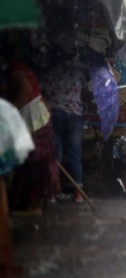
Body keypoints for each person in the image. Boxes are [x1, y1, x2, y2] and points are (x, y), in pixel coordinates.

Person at [7, 60, 60, 215]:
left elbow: (26, 90)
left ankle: (34, 206)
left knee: (35, 162)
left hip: (33, 118)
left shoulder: (16, 69)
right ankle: (31, 202)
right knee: (35, 162)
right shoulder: (20, 67)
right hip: (37, 115)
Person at [40, 61, 88, 203]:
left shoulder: (49, 73)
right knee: (75, 155)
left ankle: (53, 193)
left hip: (55, 115)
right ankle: (79, 194)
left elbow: (41, 92)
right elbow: (85, 94)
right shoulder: (78, 74)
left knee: (55, 156)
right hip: (75, 117)